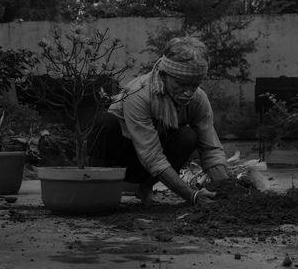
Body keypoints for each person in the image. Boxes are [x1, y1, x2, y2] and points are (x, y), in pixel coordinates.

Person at [88, 36, 229, 207]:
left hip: (151, 161)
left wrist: (227, 190)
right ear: (164, 75)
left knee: (188, 136)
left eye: (194, 85)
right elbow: (151, 156)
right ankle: (98, 190)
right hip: (122, 157)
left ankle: (145, 188)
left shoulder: (198, 99)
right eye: (181, 84)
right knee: (105, 122)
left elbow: (211, 149)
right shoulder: (139, 94)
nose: (188, 92)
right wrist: (191, 195)